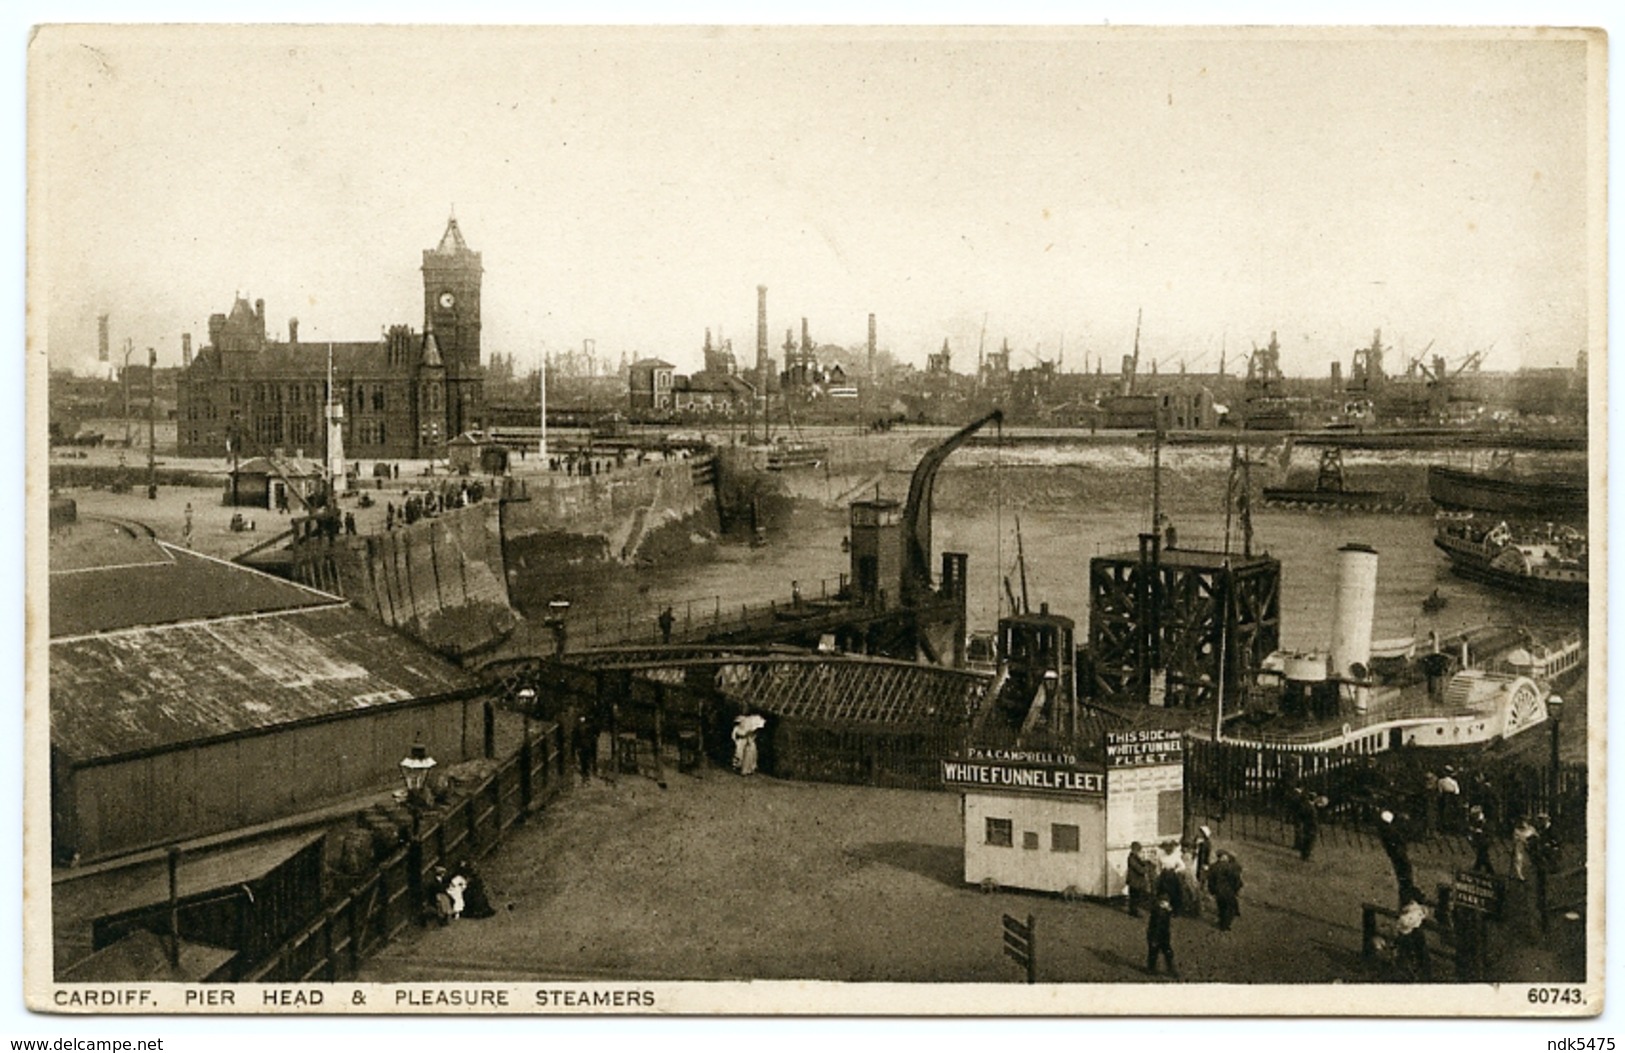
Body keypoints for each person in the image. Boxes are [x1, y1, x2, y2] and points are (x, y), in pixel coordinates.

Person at [1378, 809, 1416, 905]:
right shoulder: (1391, 832)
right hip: (1398, 854)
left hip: (1396, 853)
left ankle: (1405, 899)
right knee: (1405, 875)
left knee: (1404, 876)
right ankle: (1406, 900)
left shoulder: (1388, 830)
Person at [1394, 894, 1432, 981]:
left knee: (1412, 953)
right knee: (1414, 953)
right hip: (1411, 933)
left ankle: (1415, 971)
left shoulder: (1411, 910)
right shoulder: (1414, 910)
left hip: (1411, 933)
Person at [1206, 849, 1244, 932]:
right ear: (1223, 857)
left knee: (1221, 906)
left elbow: (1210, 879)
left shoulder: (1213, 866)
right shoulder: (1229, 867)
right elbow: (1235, 879)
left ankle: (1221, 922)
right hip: (1228, 890)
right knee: (1229, 908)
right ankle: (1225, 925)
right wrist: (1236, 889)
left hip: (1217, 890)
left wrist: (1212, 890)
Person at [1145, 895, 1177, 977]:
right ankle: (1153, 969)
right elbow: (1156, 926)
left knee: (1157, 952)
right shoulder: (1159, 912)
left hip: (1162, 935)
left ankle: (1152, 968)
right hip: (1157, 935)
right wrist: (1153, 939)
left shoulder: (1162, 910)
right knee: (1157, 952)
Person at [1125, 842, 1158, 918]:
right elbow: (1139, 869)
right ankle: (1134, 911)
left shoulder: (1135, 857)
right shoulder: (1131, 858)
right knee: (1134, 897)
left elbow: (1142, 863)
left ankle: (1133, 911)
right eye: (1138, 850)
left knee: (1136, 896)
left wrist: (1148, 862)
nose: (1139, 852)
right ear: (1134, 850)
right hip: (1133, 880)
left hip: (1136, 881)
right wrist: (1147, 867)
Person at [1467, 805, 1495, 874]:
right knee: (1482, 853)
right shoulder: (1476, 820)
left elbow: (1489, 830)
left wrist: (1480, 831)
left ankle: (1487, 870)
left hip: (1486, 839)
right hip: (1480, 839)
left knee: (1482, 853)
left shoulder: (1485, 820)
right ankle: (1479, 868)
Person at [732, 711, 762, 776]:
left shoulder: (749, 730)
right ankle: (738, 766)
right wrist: (736, 741)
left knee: (750, 756)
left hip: (748, 743)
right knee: (738, 753)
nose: (741, 723)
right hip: (740, 741)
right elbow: (733, 736)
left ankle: (749, 769)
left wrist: (750, 738)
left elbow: (750, 737)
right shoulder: (737, 728)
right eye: (739, 722)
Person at [572, 713, 598, 781]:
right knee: (586, 759)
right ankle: (587, 772)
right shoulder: (580, 727)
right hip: (586, 745)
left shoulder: (580, 727)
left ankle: (587, 772)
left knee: (585, 759)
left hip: (586, 745)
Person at [1512, 815, 1537, 882]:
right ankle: (1519, 875)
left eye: (1524, 821)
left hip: (1531, 846)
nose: (1523, 823)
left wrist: (1531, 841)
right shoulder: (1517, 830)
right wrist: (1522, 840)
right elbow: (1515, 839)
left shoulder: (1531, 829)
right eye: (1521, 821)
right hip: (1520, 847)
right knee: (1518, 859)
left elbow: (1536, 836)